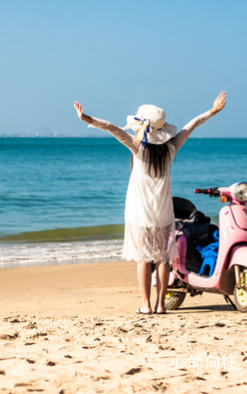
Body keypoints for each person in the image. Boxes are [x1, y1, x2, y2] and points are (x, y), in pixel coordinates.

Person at [73, 91, 227, 314]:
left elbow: (112, 128)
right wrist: (212, 110)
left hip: (140, 213)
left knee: (144, 260)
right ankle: (161, 305)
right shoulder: (171, 148)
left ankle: (146, 305)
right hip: (163, 211)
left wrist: (86, 119)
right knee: (164, 259)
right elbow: (192, 125)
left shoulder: (137, 147)